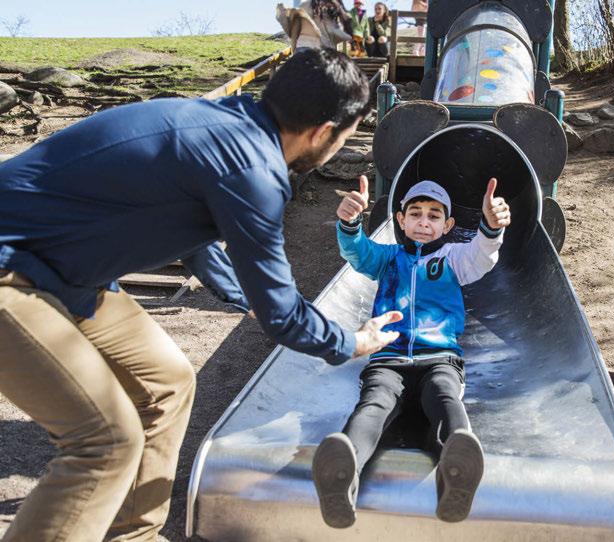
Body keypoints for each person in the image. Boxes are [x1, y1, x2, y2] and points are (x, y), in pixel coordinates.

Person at [0, 48, 402, 542]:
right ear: (324, 132)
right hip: (12, 272)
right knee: (105, 440)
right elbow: (282, 315)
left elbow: (195, 239)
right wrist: (350, 341)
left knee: (166, 381)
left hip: (65, 274)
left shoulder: (224, 126)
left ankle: (135, 535)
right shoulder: (253, 169)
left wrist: (245, 294)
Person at [312, 176, 512, 528]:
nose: (423, 222)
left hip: (439, 359)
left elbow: (482, 253)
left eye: (434, 216)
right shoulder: (387, 258)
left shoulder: (453, 260)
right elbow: (357, 250)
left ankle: (458, 468)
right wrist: (349, 222)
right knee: (374, 402)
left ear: (447, 225)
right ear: (401, 220)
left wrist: (491, 227)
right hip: (387, 358)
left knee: (445, 396)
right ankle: (342, 474)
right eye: (415, 213)